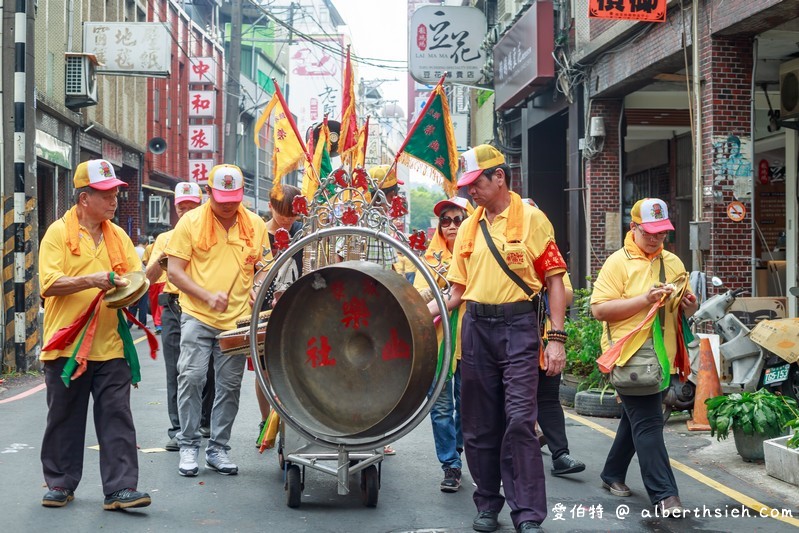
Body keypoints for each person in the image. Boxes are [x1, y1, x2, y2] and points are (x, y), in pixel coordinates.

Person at [429, 145, 567, 533]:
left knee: (521, 421)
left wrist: (555, 337)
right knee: (478, 424)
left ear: (500, 177)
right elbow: (455, 293)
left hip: (519, 328)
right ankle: (488, 502)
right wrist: (417, 319)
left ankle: (527, 514)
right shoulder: (470, 226)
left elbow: (555, 280)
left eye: (477, 183)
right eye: (468, 185)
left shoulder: (532, 220)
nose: (472, 192)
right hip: (474, 330)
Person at [38, 159, 151, 510]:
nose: (114, 199)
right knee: (63, 418)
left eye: (116, 192)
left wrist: (134, 284)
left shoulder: (117, 236)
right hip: (66, 347)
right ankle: (60, 483)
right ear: (84, 198)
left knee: (117, 417)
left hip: (111, 345)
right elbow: (50, 284)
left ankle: (120, 489)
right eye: (106, 194)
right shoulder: (58, 232)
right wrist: (92, 279)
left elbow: (135, 280)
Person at [590, 198, 697, 518]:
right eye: (649, 232)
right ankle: (665, 495)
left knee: (636, 419)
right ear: (633, 228)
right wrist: (643, 300)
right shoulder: (617, 263)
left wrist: (689, 304)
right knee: (649, 423)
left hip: (665, 357)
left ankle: (612, 473)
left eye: (661, 234)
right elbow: (599, 309)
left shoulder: (674, 263)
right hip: (631, 357)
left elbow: (686, 309)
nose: (655, 239)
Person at [166, 164, 271, 477]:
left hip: (237, 322)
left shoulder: (254, 225)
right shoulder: (191, 222)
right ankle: (188, 444)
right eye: (223, 197)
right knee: (192, 377)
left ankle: (218, 448)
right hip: (198, 315)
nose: (229, 204)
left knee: (229, 386)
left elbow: (263, 266)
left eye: (235, 198)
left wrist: (257, 286)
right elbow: (174, 271)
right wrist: (206, 295)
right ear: (209, 192)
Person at [145, 182, 215, 451]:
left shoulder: (208, 236)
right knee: (175, 368)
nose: (186, 212)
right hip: (173, 305)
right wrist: (164, 254)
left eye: (191, 207)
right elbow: (148, 280)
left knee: (206, 368)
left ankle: (203, 420)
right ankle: (177, 428)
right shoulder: (164, 239)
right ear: (175, 208)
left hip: (201, 305)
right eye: (181, 207)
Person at [414, 196, 471, 492]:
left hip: (473, 346)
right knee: (439, 408)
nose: (451, 225)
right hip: (436, 348)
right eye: (445, 220)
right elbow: (418, 302)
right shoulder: (428, 260)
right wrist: (447, 300)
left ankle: (458, 451)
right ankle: (450, 464)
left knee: (468, 407)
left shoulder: (480, 256)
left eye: (457, 219)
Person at [254, 184, 304, 444]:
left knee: (292, 367)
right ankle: (265, 421)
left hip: (296, 306)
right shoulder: (259, 233)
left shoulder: (303, 234)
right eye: (282, 212)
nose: (286, 219)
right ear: (270, 206)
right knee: (264, 369)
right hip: (264, 307)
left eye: (292, 214)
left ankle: (292, 420)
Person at [143, 233, 165, 334]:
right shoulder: (149, 248)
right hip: (154, 280)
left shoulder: (166, 243)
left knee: (160, 303)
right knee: (154, 303)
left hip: (164, 279)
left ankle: (159, 323)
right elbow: (145, 261)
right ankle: (158, 323)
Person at [127, 236, 150, 326]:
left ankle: (129, 323)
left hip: (132, 278)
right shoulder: (145, 251)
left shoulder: (132, 249)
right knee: (143, 303)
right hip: (143, 279)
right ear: (146, 243)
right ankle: (142, 323)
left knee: (132, 301)